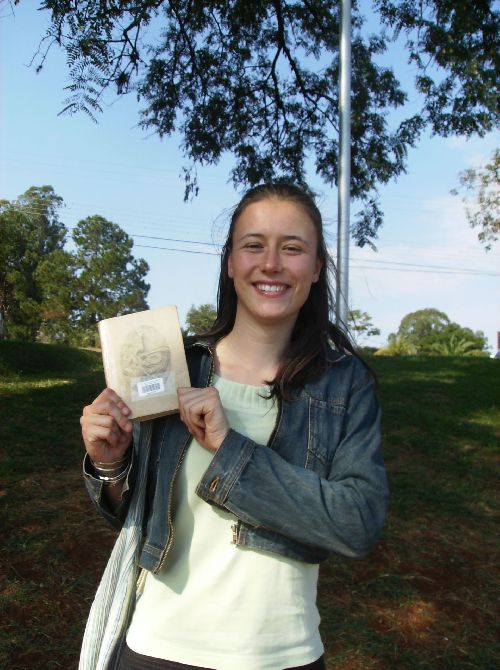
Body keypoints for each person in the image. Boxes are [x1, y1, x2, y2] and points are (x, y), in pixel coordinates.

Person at [80, 183, 389, 670]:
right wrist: (109, 461)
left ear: (315, 269)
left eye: (292, 248)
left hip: (283, 656)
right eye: (253, 245)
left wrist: (230, 449)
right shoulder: (174, 365)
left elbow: (357, 524)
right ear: (230, 262)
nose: (271, 264)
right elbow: (133, 516)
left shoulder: (344, 384)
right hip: (159, 649)